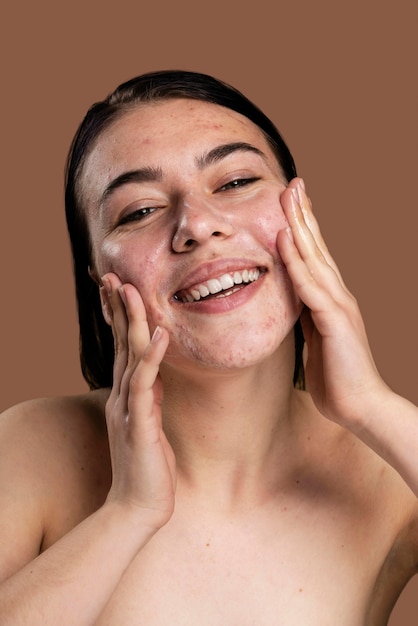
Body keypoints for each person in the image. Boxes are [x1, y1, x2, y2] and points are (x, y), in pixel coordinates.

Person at [0, 69, 417, 625]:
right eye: (140, 211)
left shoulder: (388, 471)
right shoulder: (30, 449)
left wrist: (374, 407)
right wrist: (129, 512)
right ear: (101, 287)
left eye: (236, 181)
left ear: (304, 214)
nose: (197, 224)